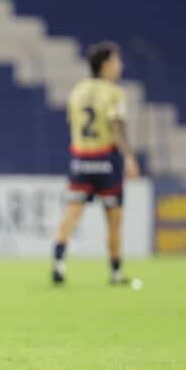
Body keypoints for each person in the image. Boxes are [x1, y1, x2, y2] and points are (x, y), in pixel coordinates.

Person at [51, 41, 140, 286]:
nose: (120, 65)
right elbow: (116, 125)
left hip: (80, 158)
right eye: (116, 60)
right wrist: (129, 157)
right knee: (114, 219)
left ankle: (58, 262)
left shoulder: (77, 90)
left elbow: (72, 123)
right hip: (106, 158)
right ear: (105, 65)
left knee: (71, 214)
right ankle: (115, 272)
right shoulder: (113, 92)